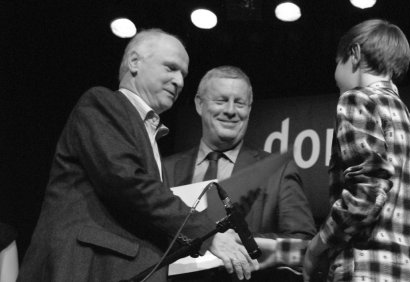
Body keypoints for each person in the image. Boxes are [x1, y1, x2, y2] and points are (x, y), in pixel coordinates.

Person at [17, 29, 256, 282]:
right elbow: (126, 181)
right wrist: (207, 233)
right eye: (171, 68)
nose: (179, 81)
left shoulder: (150, 135)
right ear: (134, 62)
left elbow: (144, 217)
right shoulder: (103, 103)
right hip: (89, 267)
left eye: (183, 74)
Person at [303, 19, 410, 282]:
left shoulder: (357, 99)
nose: (335, 75)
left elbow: (367, 192)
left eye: (336, 63)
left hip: (367, 271)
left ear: (354, 54)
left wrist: (317, 246)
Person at [164, 66, 316, 281]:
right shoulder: (166, 169)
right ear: (199, 104)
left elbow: (303, 246)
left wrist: (241, 241)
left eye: (240, 103)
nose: (230, 110)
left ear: (249, 108)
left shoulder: (278, 171)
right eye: (221, 100)